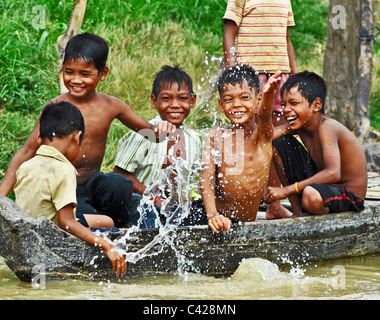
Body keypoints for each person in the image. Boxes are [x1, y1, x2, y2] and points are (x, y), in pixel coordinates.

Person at [0, 33, 175, 228]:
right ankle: (101, 224)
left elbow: (150, 134)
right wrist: (2, 199)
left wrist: (163, 129)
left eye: (85, 74)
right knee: (86, 215)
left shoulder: (111, 106)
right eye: (69, 72)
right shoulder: (56, 109)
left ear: (103, 73)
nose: (76, 80)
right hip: (64, 191)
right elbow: (26, 151)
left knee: (118, 185)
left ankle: (119, 225)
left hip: (93, 184)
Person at [13, 102, 127, 277]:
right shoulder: (63, 169)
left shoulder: (25, 167)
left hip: (30, 232)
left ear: (38, 139)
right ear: (77, 137)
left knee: (103, 220)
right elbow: (66, 222)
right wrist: (106, 245)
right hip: (53, 235)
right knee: (109, 223)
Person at [263, 71, 367, 218]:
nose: (285, 110)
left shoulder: (327, 127)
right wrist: (265, 101)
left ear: (316, 105)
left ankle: (321, 214)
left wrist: (285, 191)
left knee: (311, 196)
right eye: (283, 104)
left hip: (347, 194)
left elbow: (333, 173)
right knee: (280, 143)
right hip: (320, 186)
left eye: (294, 103)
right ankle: (298, 211)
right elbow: (266, 137)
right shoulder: (300, 124)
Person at [113, 65, 203, 228]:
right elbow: (119, 174)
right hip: (139, 202)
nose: (175, 105)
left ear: (192, 101)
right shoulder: (145, 132)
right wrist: (151, 197)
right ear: (155, 101)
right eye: (167, 98)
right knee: (146, 212)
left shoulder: (194, 140)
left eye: (182, 98)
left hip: (172, 208)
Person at [196, 65, 281, 233]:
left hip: (244, 222)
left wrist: (270, 93)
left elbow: (264, 115)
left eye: (244, 97)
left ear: (258, 99)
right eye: (229, 99)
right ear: (221, 104)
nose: (236, 105)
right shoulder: (216, 134)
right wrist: (212, 215)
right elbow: (206, 179)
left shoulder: (262, 136)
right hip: (213, 215)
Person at [222, 0, 298, 126]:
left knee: (280, 125)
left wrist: (296, 76)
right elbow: (229, 35)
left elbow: (287, 40)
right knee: (250, 126)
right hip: (252, 76)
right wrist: (233, 74)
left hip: (281, 75)